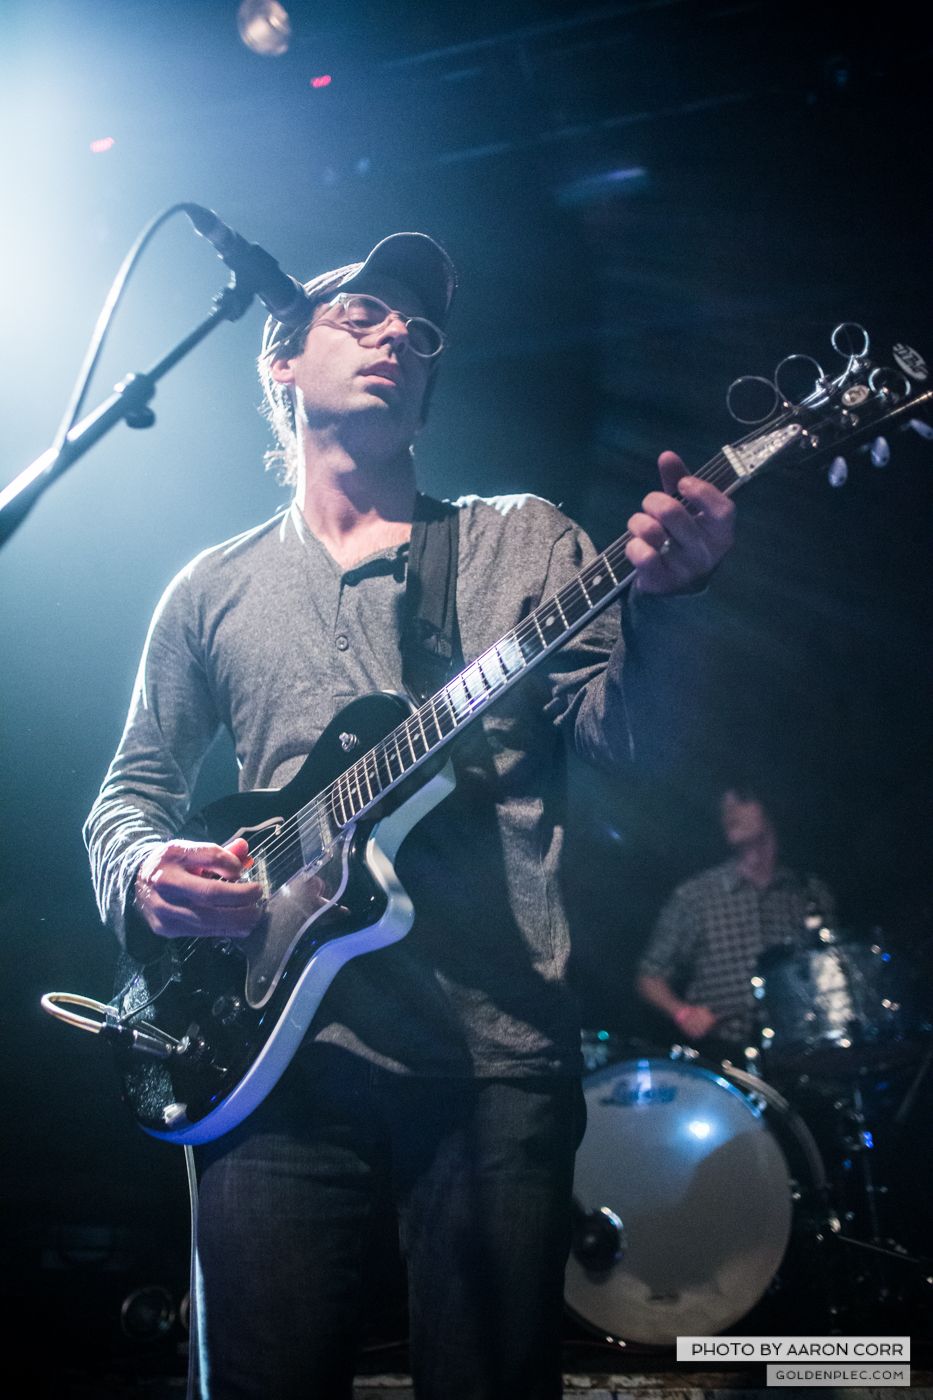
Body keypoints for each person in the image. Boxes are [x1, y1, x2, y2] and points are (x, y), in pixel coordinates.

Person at [84, 231, 736, 1399]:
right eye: (367, 312)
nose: (401, 336)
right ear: (283, 357)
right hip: (267, 1063)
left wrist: (673, 614)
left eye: (422, 332)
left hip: (494, 1063)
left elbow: (627, 745)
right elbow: (130, 788)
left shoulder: (522, 538)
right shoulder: (211, 587)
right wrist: (142, 867)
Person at [636, 783, 835, 1056]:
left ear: (770, 806)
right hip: (724, 1055)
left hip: (803, 1052)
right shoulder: (696, 895)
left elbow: (831, 975)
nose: (728, 812)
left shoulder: (809, 892)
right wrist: (682, 1013)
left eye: (741, 801)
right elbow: (649, 976)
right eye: (723, 808)